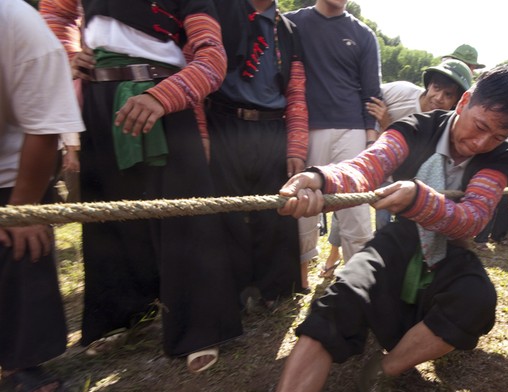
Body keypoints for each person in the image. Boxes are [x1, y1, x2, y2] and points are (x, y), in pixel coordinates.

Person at [177, 65, 508, 392]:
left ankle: (381, 373)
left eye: (498, 136)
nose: (482, 142)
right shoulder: (416, 126)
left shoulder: (500, 158)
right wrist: (319, 179)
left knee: (476, 299)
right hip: (401, 236)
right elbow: (366, 166)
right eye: (480, 125)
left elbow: (473, 217)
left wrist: (419, 196)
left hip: (452, 249)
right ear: (464, 103)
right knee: (338, 297)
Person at [40, 0, 242, 372]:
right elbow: (55, 12)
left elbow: (212, 57)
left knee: (184, 219)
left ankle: (200, 328)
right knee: (109, 220)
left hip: (165, 101)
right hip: (98, 103)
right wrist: (67, 53)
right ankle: (125, 317)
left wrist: (163, 96)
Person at [0, 0, 84, 392]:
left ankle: (21, 360)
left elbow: (44, 127)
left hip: (12, 176)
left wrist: (23, 208)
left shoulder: (17, 22)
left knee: (21, 249)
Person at [319, 59, 473, 277]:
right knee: (346, 210)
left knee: (384, 224)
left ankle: (379, 268)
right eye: (437, 88)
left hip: (402, 183)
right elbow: (365, 104)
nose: (438, 98)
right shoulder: (400, 92)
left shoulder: (445, 128)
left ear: (457, 102)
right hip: (371, 165)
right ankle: (333, 255)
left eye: (448, 95)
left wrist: (386, 124)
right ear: (428, 85)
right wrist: (373, 136)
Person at [205, 0, 307, 307]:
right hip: (223, 123)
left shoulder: (289, 30)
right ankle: (231, 291)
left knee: (276, 209)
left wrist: (296, 146)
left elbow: (297, 91)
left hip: (272, 128)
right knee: (226, 210)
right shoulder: (218, 11)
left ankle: (274, 290)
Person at [285, 0, 382, 290]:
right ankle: (300, 279)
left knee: (356, 210)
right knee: (301, 204)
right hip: (306, 128)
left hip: (351, 129)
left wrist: (370, 142)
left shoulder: (363, 34)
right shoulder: (291, 24)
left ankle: (358, 286)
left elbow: (372, 94)